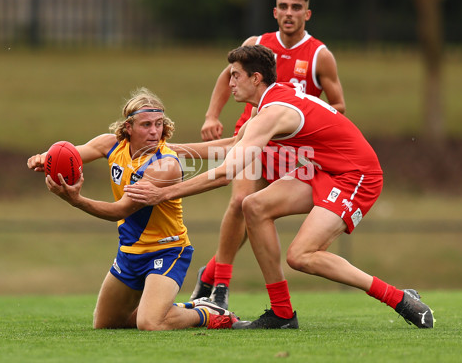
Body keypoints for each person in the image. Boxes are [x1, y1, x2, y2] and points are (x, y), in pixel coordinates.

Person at [124, 45, 435, 330]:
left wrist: (162, 193)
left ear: (255, 78)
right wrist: (169, 149)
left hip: (357, 175)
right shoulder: (270, 102)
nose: (229, 82)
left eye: (235, 76)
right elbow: (233, 144)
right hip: (323, 169)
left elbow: (225, 173)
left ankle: (398, 298)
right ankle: (282, 314)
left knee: (302, 255)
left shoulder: (271, 113)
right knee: (253, 206)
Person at [26, 87, 238, 331]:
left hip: (166, 250)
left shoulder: (164, 164)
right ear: (128, 127)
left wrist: (76, 200)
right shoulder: (111, 145)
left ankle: (207, 314)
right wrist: (46, 158)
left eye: (159, 124)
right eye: (146, 124)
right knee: (106, 324)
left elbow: (120, 211)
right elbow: (72, 154)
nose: (154, 131)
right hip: (129, 251)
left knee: (150, 323)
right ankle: (181, 308)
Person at [192, 0, 346, 309]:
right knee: (240, 202)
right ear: (274, 12)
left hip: (290, 150)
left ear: (307, 13)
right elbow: (226, 76)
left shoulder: (320, 55)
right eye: (284, 7)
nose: (289, 13)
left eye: (296, 8)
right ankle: (220, 288)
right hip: (251, 139)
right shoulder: (257, 44)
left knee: (256, 213)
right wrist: (211, 115)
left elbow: (338, 107)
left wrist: (303, 116)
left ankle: (208, 274)